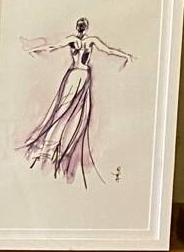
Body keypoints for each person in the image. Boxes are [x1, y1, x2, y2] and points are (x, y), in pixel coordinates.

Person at [19, 18, 133, 186]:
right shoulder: (91, 40)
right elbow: (108, 51)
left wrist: (34, 50)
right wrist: (125, 56)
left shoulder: (72, 40)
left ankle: (51, 147)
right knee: (73, 113)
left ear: (77, 28)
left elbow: (52, 47)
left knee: (63, 110)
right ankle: (53, 148)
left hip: (73, 74)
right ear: (86, 28)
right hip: (82, 74)